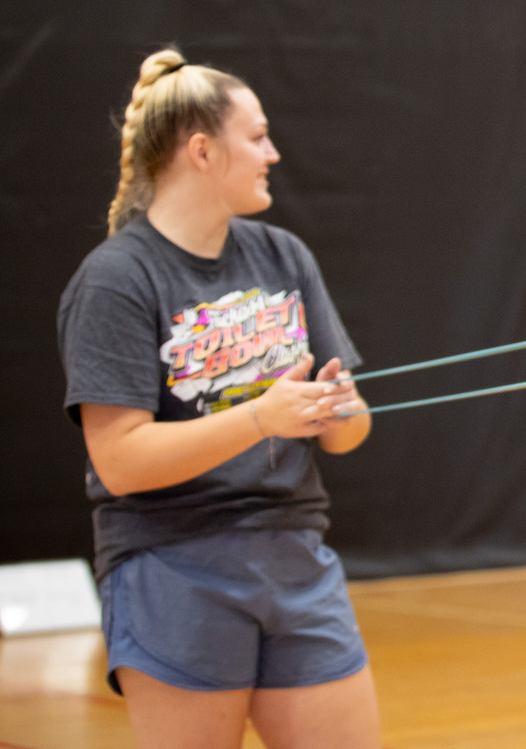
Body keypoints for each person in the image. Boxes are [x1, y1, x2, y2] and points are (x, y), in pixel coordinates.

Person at [57, 48, 380, 749]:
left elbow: (345, 433)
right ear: (202, 150)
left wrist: (342, 412)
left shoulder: (284, 256)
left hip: (296, 557)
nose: (274, 153)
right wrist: (260, 417)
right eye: (257, 136)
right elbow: (120, 462)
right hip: (174, 567)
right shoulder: (116, 279)